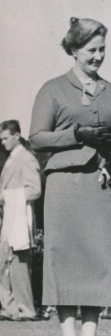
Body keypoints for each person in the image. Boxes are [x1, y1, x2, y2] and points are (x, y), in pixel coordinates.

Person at [29, 17, 111, 336]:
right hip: (65, 188)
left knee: (100, 262)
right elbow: (37, 137)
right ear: (74, 50)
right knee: (67, 262)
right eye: (91, 50)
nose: (98, 56)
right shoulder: (53, 89)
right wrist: (77, 135)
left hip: (105, 189)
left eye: (102, 49)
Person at [0, 120, 41, 321]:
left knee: (19, 264)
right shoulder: (11, 158)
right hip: (9, 216)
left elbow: (35, 190)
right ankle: (10, 307)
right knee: (3, 263)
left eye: (6, 138)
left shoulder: (26, 158)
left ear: (17, 136)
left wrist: (6, 195)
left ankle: (26, 309)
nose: (3, 142)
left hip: (18, 218)